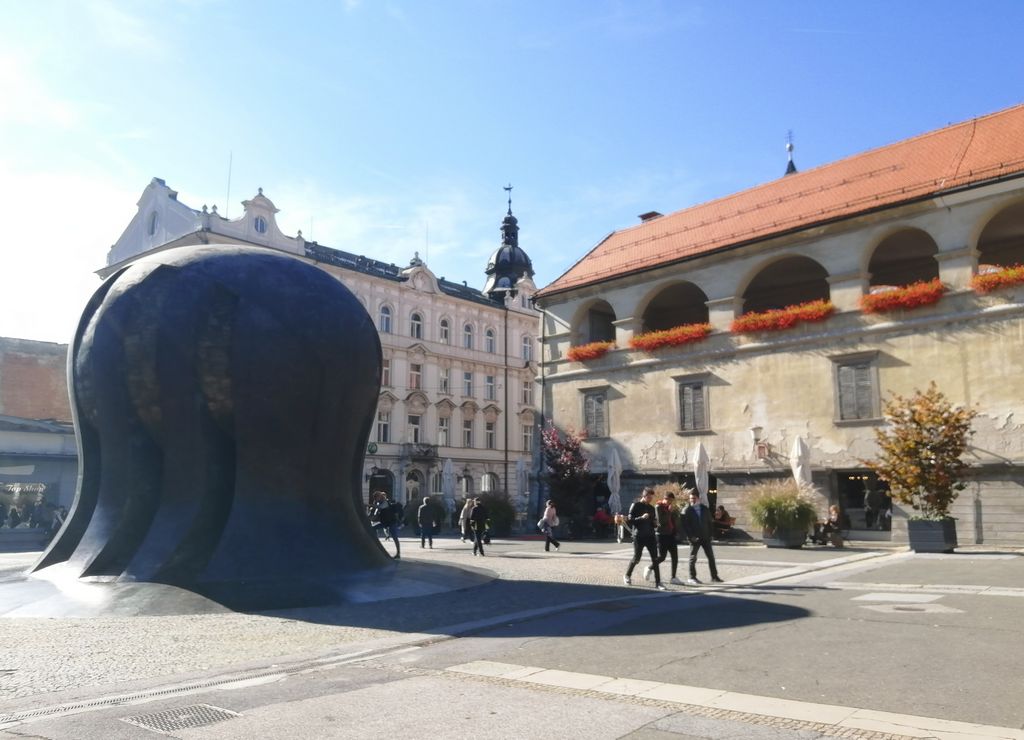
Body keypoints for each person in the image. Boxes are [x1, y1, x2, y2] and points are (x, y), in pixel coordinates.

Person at [623, 488, 665, 590]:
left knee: (655, 559)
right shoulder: (635, 505)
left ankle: (658, 582)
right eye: (649, 497)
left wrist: (655, 523)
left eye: (651, 498)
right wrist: (641, 517)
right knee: (637, 558)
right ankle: (627, 575)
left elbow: (652, 521)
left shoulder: (651, 508)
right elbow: (630, 520)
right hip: (639, 536)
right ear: (644, 496)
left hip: (650, 536)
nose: (650, 499)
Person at [681, 490, 723, 585]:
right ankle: (692, 577)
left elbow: (709, 522)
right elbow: (685, 526)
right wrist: (691, 537)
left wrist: (711, 534)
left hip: (705, 537)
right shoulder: (687, 510)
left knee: (711, 557)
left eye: (694, 498)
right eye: (690, 499)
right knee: (693, 557)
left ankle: (714, 576)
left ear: (698, 498)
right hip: (694, 538)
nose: (692, 500)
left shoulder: (704, 509)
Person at [645, 490, 683, 585]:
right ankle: (649, 568)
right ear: (665, 499)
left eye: (671, 501)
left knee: (675, 556)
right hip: (661, 535)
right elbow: (661, 522)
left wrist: (676, 531)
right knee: (662, 557)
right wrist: (669, 512)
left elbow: (674, 521)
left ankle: (673, 577)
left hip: (671, 535)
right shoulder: (658, 507)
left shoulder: (670, 507)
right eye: (668, 500)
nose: (669, 502)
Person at [374, 492, 403, 559]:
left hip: (391, 522)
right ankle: (376, 543)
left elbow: (380, 507)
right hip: (385, 522)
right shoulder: (379, 503)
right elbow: (376, 513)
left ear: (379, 497)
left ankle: (398, 553)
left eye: (376, 498)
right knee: (373, 528)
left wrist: (368, 505)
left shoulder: (386, 502)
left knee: (394, 537)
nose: (375, 499)